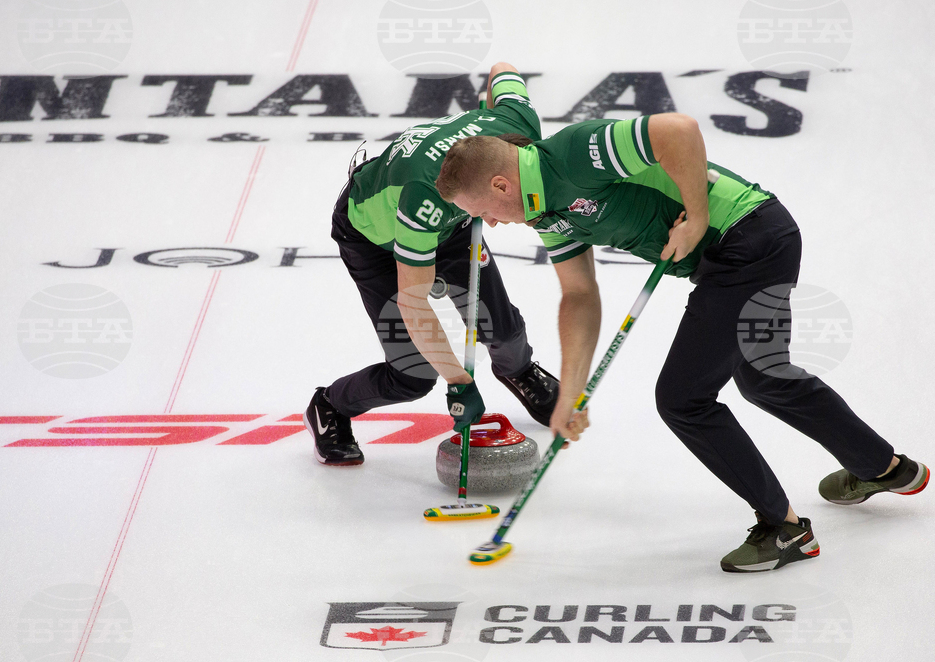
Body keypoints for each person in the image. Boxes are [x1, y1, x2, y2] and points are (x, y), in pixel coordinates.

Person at [434, 113, 929, 572]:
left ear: (501, 184)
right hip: (742, 250)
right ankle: (882, 467)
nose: (493, 224)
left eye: (484, 212)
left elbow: (678, 130)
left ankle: (786, 530)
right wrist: (572, 391)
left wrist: (694, 216)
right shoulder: (542, 211)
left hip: (747, 239)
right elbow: (580, 294)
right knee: (764, 378)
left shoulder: (570, 153)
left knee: (683, 399)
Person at [304, 63, 559, 467]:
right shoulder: (424, 200)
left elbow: (503, 70)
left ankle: (520, 371)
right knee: (413, 374)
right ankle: (330, 404)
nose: (491, 221)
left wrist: (487, 106)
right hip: (373, 237)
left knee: (503, 330)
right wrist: (458, 382)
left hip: (451, 221)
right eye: (486, 213)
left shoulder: (517, 122)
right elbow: (414, 301)